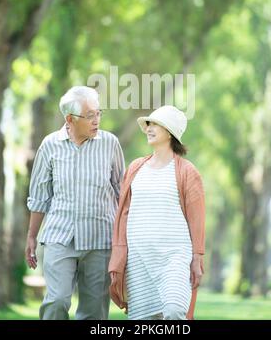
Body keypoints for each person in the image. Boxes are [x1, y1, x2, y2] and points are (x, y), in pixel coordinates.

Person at [25, 86, 125, 320]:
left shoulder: (110, 144)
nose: (96, 120)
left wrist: (124, 240)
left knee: (94, 312)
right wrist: (31, 236)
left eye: (99, 113)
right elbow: (40, 196)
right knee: (56, 301)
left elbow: (122, 194)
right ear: (69, 119)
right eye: (90, 115)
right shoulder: (50, 145)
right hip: (60, 236)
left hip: (100, 239)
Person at [109, 105, 205, 320]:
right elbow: (123, 213)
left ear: (170, 132)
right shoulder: (135, 167)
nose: (149, 128)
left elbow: (197, 218)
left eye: (156, 124)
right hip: (139, 259)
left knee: (174, 311)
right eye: (149, 124)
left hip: (174, 257)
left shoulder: (187, 172)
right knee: (144, 320)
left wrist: (197, 256)